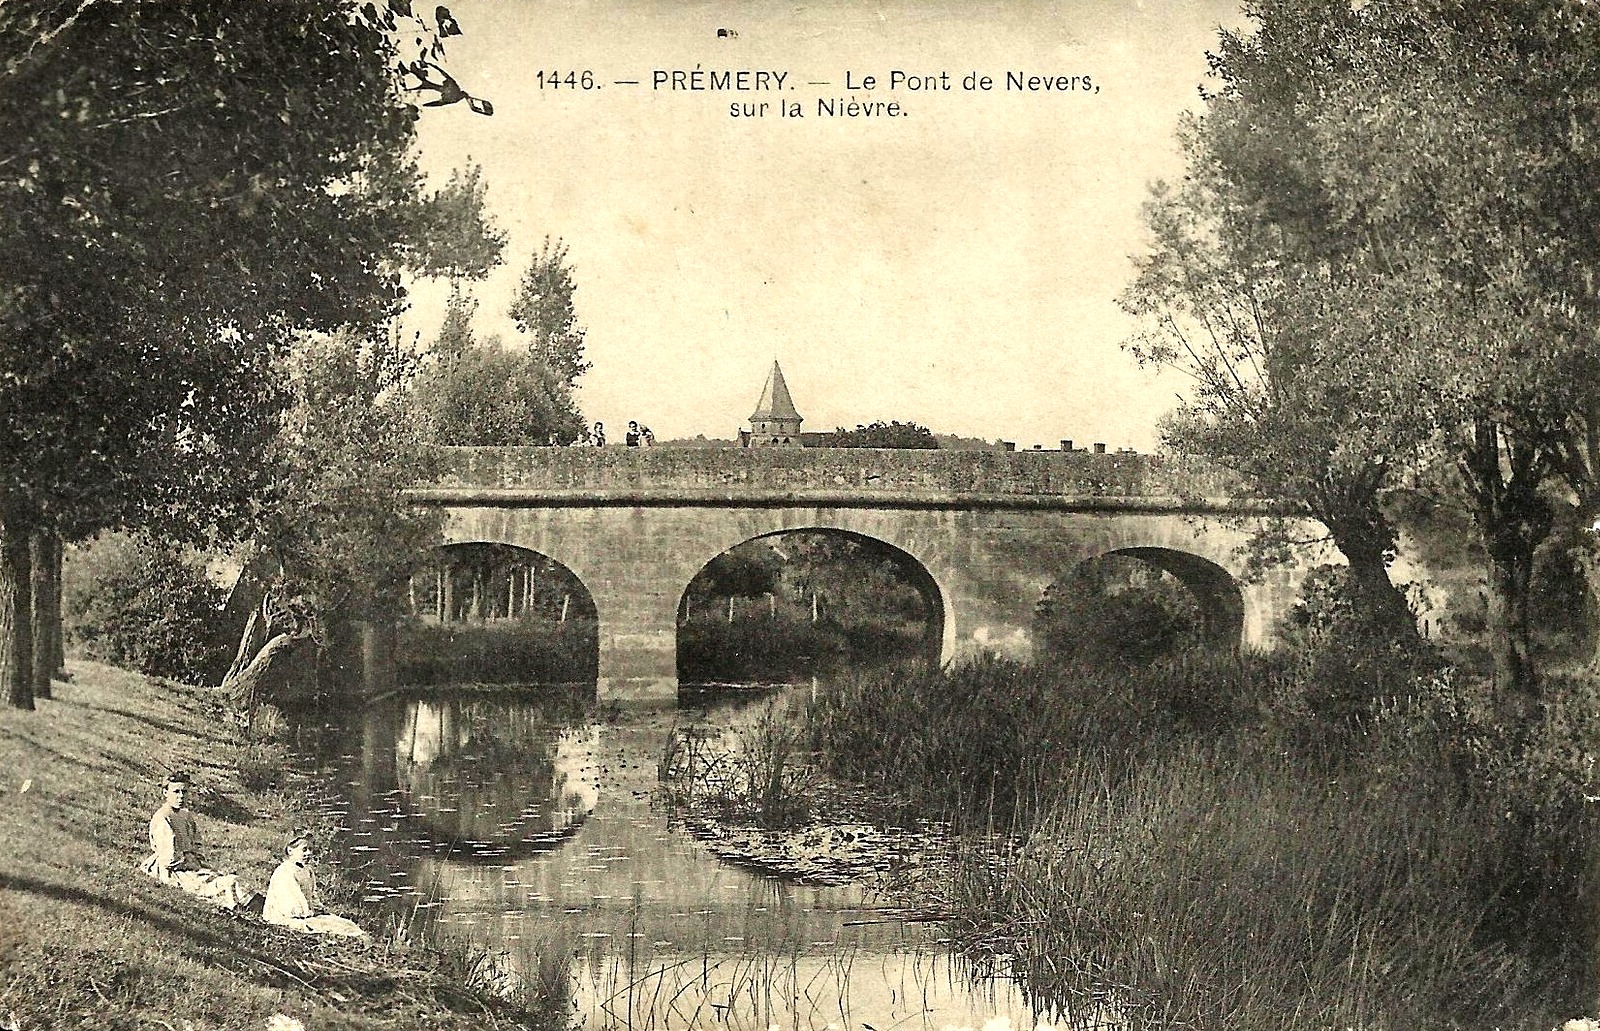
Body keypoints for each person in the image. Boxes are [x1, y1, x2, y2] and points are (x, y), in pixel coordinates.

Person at [142, 772, 255, 910]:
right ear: (166, 792)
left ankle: (266, 910)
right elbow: (169, 858)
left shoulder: (185, 815)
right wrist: (190, 863)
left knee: (229, 879)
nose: (181, 796)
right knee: (226, 883)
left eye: (184, 792)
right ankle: (263, 912)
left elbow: (197, 844)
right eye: (176, 792)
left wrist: (199, 863)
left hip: (192, 864)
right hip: (174, 870)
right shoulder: (163, 818)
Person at [263, 836, 368, 938]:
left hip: (305, 913)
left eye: (310, 849)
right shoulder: (285, 871)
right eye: (304, 850)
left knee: (346, 923)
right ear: (290, 851)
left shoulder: (307, 870)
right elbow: (291, 901)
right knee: (331, 927)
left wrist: (319, 909)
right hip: (285, 916)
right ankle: (356, 939)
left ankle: (360, 935)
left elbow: (312, 894)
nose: (308, 853)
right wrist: (307, 914)